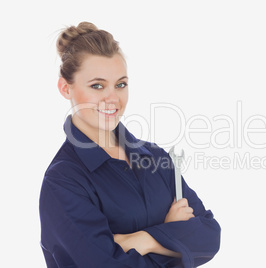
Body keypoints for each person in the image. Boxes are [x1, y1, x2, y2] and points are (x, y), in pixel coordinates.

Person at [39, 22, 221, 268]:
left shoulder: (156, 158)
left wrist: (143, 240)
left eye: (121, 84)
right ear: (65, 87)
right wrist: (172, 237)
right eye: (97, 86)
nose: (113, 98)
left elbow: (210, 235)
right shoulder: (63, 180)